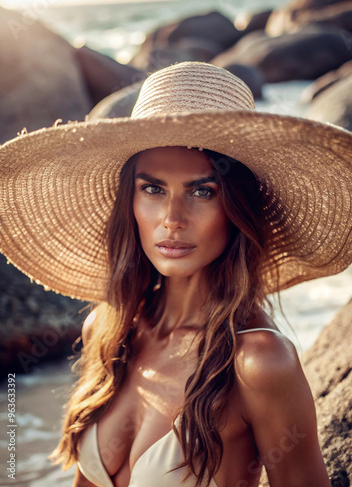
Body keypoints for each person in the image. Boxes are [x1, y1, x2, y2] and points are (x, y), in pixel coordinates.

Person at [1, 61, 351, 487]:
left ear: (238, 209)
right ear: (129, 202)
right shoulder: (109, 330)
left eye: (202, 191)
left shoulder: (258, 363)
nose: (172, 219)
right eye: (153, 189)